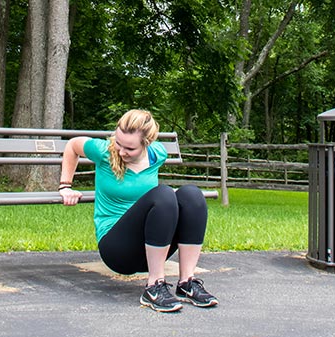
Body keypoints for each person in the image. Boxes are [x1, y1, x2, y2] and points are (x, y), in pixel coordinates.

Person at [59, 109, 218, 312]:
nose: (121, 151)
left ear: (147, 143)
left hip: (152, 250)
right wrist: (66, 186)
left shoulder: (157, 154)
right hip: (117, 248)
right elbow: (72, 146)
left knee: (192, 196)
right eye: (119, 143)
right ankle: (154, 287)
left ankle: (187, 282)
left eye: (130, 148)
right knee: (163, 194)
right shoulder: (104, 151)